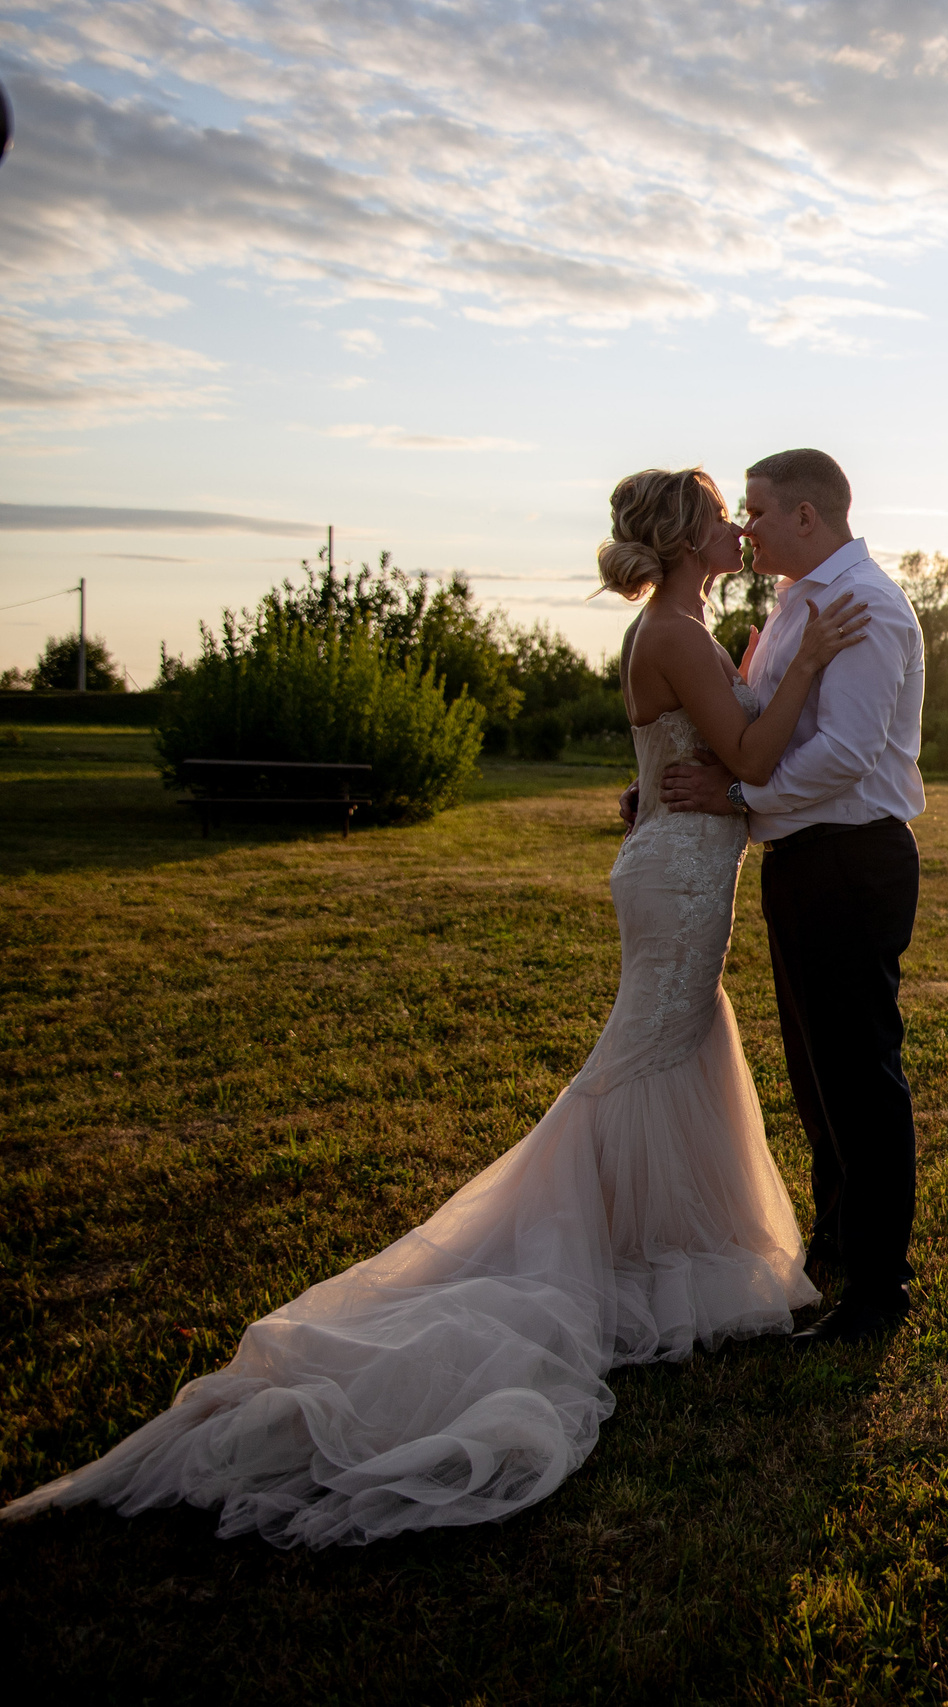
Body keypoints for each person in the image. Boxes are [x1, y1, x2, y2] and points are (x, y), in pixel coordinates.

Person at [0, 467, 870, 1548]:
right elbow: (746, 754)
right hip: (680, 878)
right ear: (688, 539)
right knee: (644, 1056)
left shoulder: (688, 624)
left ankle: (662, 1262)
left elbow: (696, 752)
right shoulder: (676, 632)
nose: (738, 526)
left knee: (675, 1047)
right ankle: (602, 1258)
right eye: (719, 513)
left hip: (686, 867)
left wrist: (707, 751)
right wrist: (814, 666)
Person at [650, 448, 928, 1347]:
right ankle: (839, 1244)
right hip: (806, 861)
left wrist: (739, 800)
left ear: (808, 516)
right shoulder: (794, 606)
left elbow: (845, 754)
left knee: (859, 1075)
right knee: (818, 1075)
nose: (748, 527)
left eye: (761, 511)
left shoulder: (862, 606)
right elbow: (754, 729)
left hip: (852, 860)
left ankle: (881, 1289)